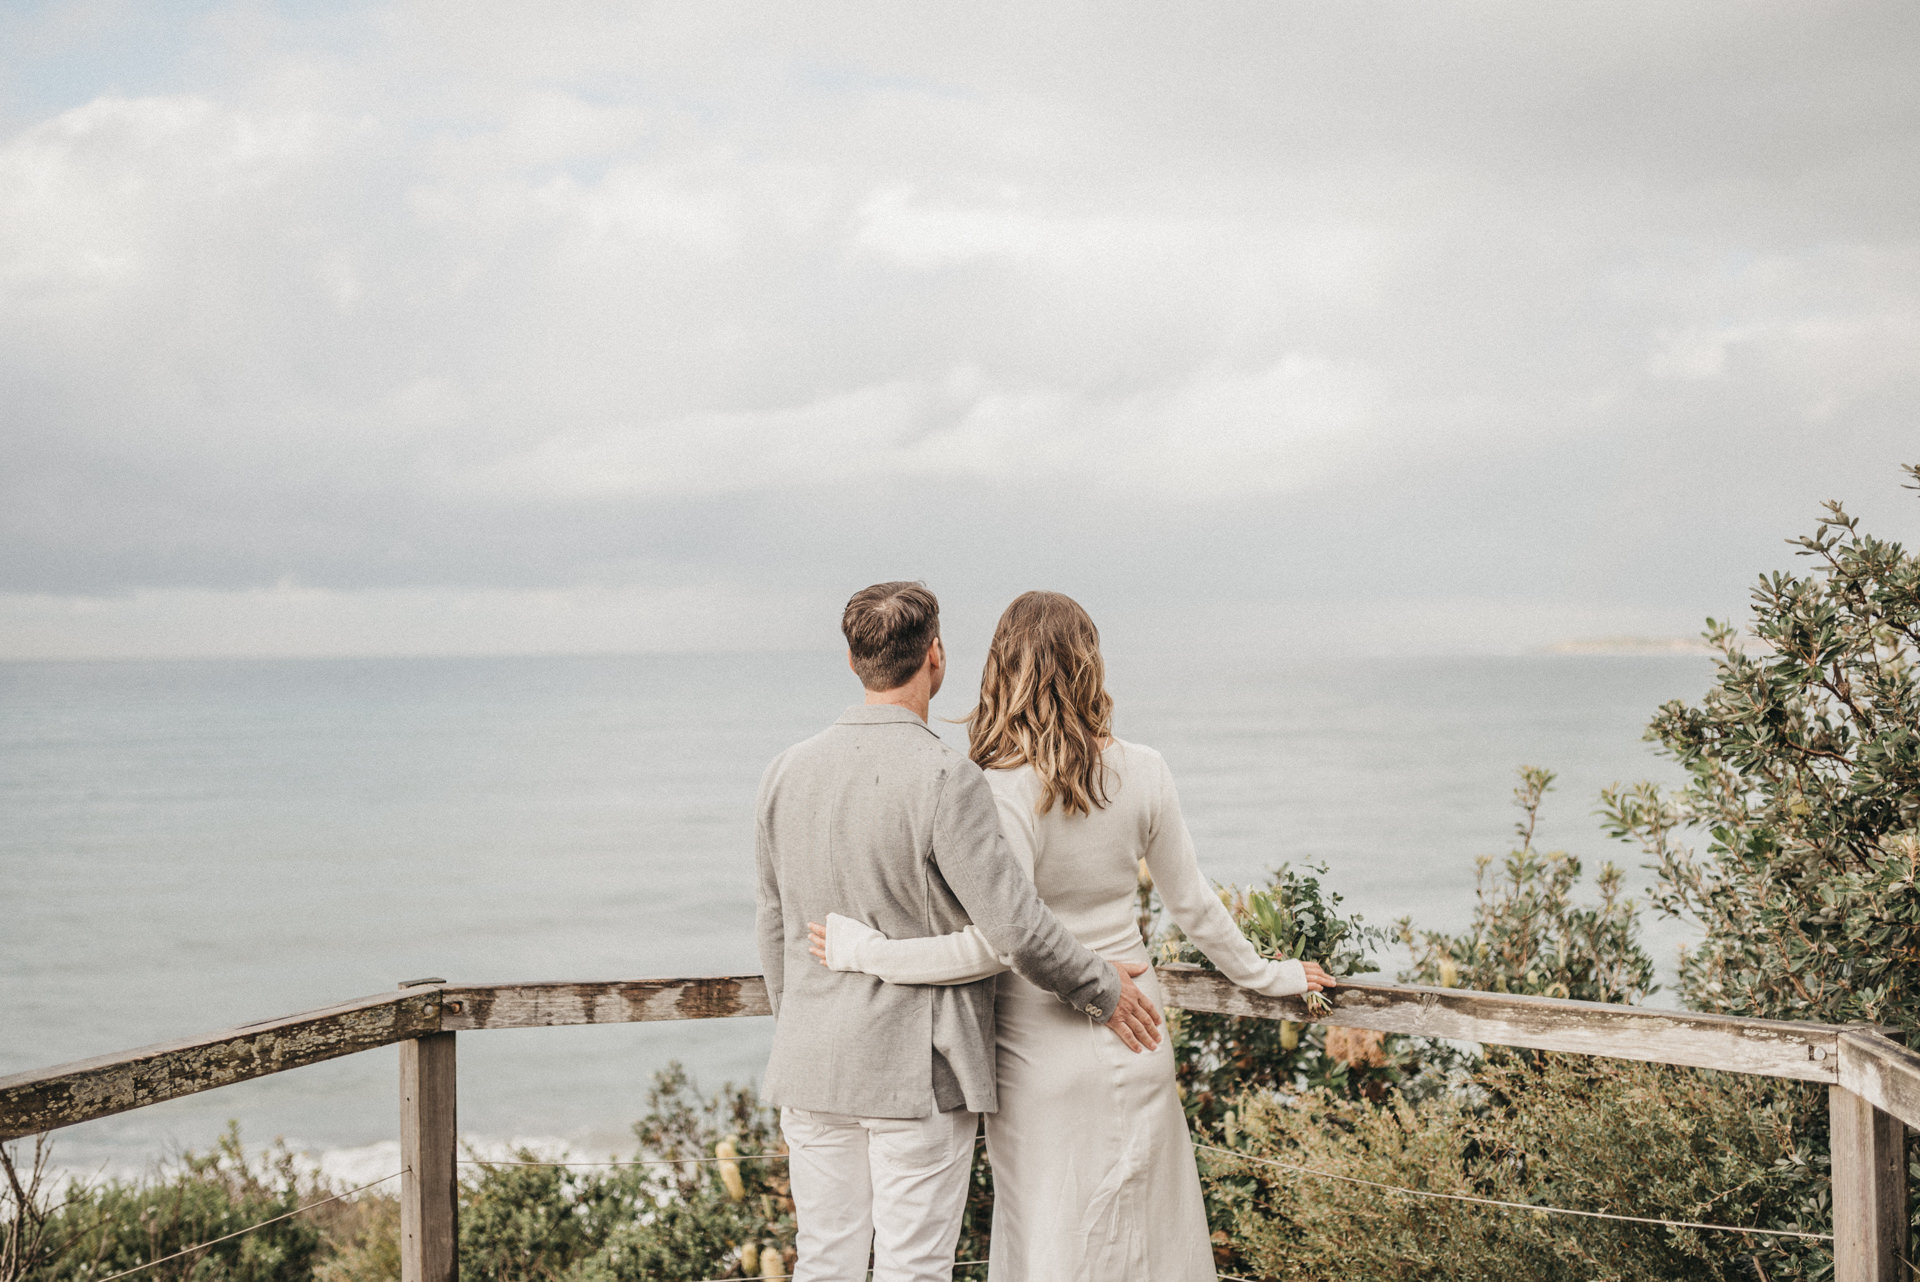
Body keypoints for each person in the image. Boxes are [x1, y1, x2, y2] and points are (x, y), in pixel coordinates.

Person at [809, 590, 1335, 1282]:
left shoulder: (997, 787)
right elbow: (1196, 908)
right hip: (1139, 1033)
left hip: (1037, 1055)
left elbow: (1000, 943)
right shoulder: (1145, 769)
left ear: (1002, 668)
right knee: (1153, 1243)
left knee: (1052, 1242)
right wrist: (1274, 977)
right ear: (1089, 664)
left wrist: (866, 953)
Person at [754, 581, 1164, 1282]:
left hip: (812, 1061)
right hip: (916, 1070)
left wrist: (804, 1026)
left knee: (823, 1262)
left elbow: (773, 926)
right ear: (936, 657)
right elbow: (1015, 927)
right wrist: (1099, 985)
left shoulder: (786, 770)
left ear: (853, 661)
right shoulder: (949, 775)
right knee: (913, 1270)